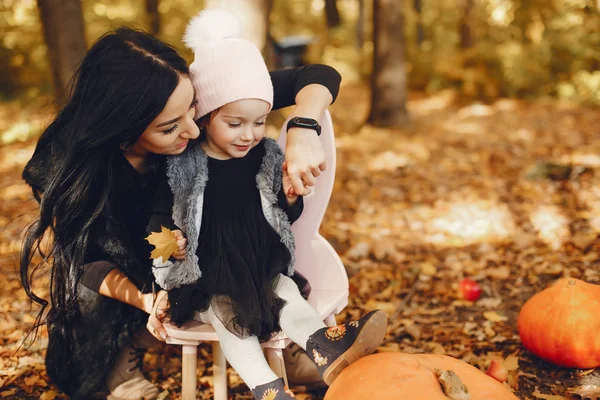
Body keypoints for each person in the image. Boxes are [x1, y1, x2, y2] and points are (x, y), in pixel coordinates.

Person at [19, 14, 343, 400]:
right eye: (170, 127)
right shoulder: (65, 163)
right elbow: (85, 260)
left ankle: (276, 333)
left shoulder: (185, 93)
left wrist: (304, 128)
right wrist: (146, 299)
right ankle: (120, 360)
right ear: (122, 129)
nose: (192, 130)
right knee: (89, 297)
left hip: (210, 247)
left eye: (193, 108)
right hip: (126, 261)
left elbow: (320, 75)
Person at [146, 10, 388, 400]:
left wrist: (290, 197)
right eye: (236, 123)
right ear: (206, 118)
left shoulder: (266, 156)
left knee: (288, 296)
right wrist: (168, 242)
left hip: (260, 261)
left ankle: (326, 345)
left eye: (259, 122)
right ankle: (267, 388)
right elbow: (159, 214)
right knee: (231, 322)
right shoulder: (182, 164)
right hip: (207, 274)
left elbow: (278, 214)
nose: (250, 134)